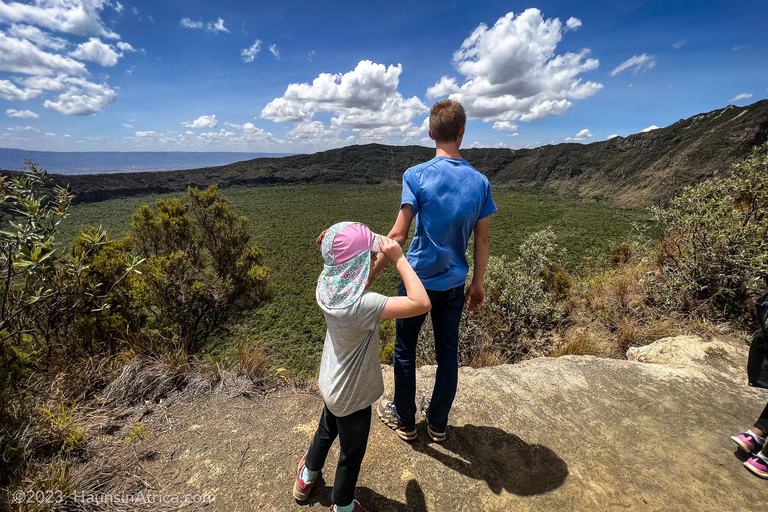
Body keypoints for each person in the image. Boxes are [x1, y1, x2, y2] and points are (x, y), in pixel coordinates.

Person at [369, 99, 497, 443]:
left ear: (430, 133)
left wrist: (366, 278)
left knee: (405, 350)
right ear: (462, 131)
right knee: (447, 354)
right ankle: (438, 424)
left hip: (417, 282)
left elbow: (397, 235)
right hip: (454, 285)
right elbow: (482, 240)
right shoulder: (480, 182)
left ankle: (406, 421)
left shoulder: (416, 175)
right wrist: (477, 284)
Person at [293, 221, 431, 512]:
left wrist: (332, 242)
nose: (372, 260)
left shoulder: (326, 286)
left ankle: (306, 478)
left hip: (331, 383)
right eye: (368, 258)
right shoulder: (364, 305)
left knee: (325, 431)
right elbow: (421, 303)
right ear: (357, 267)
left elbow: (345, 268)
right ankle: (342, 505)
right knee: (351, 453)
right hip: (353, 397)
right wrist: (399, 259)